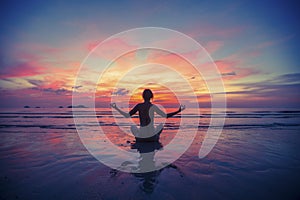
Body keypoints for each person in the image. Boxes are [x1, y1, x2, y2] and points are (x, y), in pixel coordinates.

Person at [110, 89, 185, 142]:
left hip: (141, 137)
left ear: (143, 96)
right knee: (161, 125)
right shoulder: (153, 106)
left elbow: (127, 115)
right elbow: (166, 116)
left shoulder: (139, 106)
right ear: (151, 97)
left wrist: (116, 108)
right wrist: (178, 111)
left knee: (132, 127)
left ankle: (139, 137)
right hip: (152, 138)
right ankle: (156, 137)